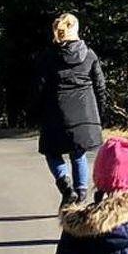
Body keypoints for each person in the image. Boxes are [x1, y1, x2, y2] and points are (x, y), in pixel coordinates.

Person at [37, 12, 105, 205]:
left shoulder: (49, 57)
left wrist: (35, 112)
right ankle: (81, 192)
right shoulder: (90, 55)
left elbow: (39, 87)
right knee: (78, 153)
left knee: (51, 152)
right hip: (85, 114)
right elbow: (100, 87)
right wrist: (99, 114)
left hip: (55, 113)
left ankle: (65, 184)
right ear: (76, 30)